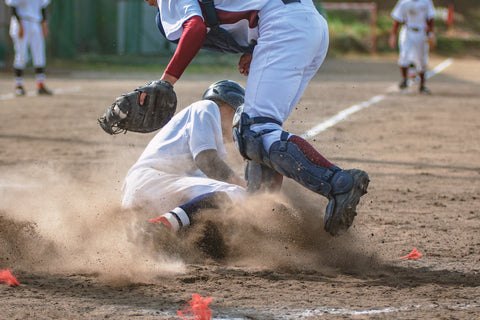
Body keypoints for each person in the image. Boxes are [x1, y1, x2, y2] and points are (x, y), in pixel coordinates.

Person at [137, 0, 369, 236]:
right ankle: (259, 217)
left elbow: (195, 27)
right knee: (263, 135)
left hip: (282, 24)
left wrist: (166, 82)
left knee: (254, 131)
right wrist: (252, 47)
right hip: (307, 23)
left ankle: (339, 183)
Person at [122, 80, 246, 233]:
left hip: (153, 194)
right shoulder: (207, 107)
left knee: (212, 215)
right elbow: (207, 161)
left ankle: (157, 232)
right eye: (237, 115)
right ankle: (161, 226)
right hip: (154, 182)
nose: (237, 124)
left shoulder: (197, 134)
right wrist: (243, 186)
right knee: (237, 193)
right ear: (232, 107)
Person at [5, 0, 53, 96]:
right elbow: (12, 7)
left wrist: (44, 23)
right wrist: (19, 24)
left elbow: (43, 6)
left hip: (36, 22)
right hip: (21, 21)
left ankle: (40, 84)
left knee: (39, 54)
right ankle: (18, 85)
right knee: (21, 55)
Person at [389, 0, 436, 94]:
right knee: (404, 55)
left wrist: (431, 33)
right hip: (407, 30)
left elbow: (430, 18)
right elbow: (397, 20)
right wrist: (393, 36)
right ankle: (404, 80)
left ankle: (422, 85)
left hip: (421, 32)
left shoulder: (426, 2)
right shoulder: (404, 2)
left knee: (421, 59)